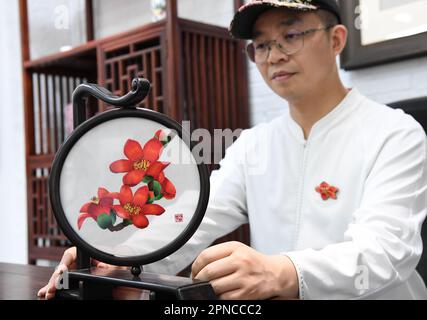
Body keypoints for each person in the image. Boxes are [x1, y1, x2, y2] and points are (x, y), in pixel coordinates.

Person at [39, 0, 427, 300]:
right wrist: (117, 256)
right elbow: (194, 219)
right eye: (260, 45)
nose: (273, 55)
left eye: (291, 36)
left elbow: (385, 251)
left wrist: (284, 272)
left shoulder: (394, 133)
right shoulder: (255, 144)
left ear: (337, 39)